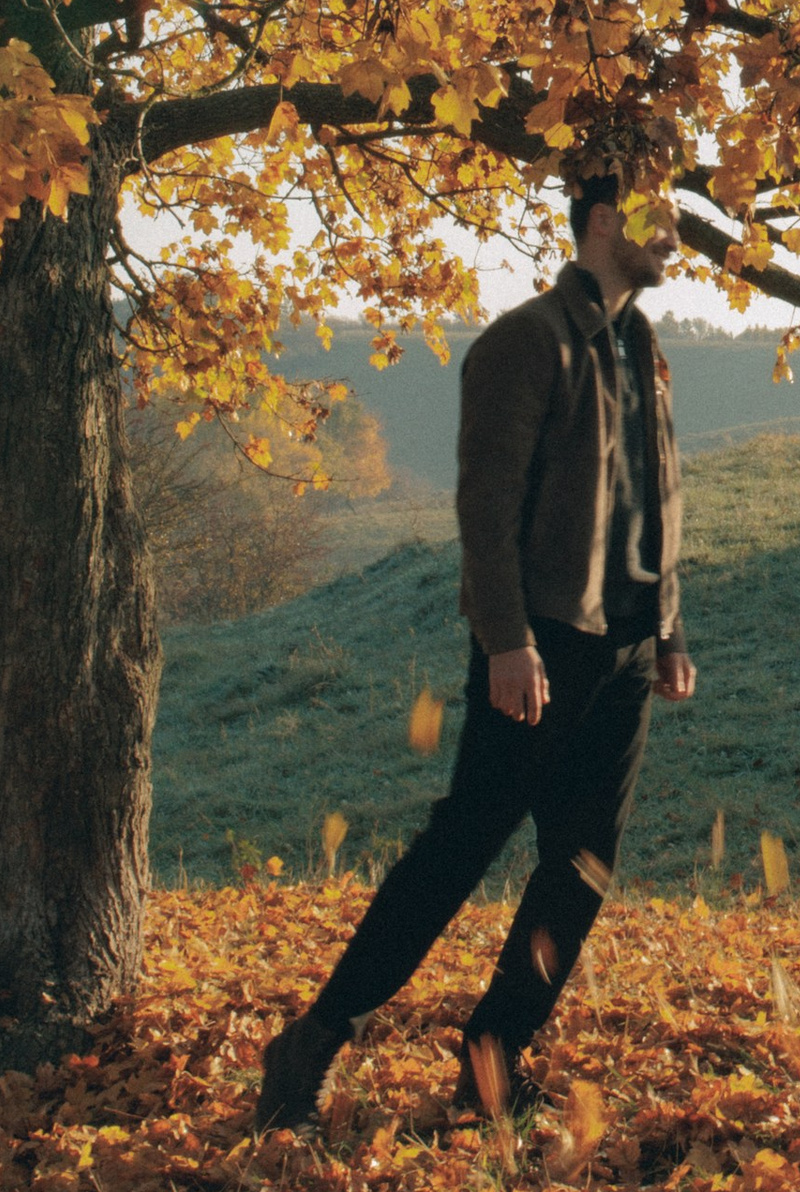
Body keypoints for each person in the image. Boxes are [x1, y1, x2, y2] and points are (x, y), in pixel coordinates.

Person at [254, 148, 698, 1129]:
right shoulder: (523, 343)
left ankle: (491, 1062)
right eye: (659, 217)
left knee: (581, 863)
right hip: (540, 640)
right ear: (602, 220)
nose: (675, 237)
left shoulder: (642, 347)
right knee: (461, 847)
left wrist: (666, 626)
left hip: (622, 647)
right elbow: (485, 510)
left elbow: (655, 494)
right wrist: (505, 639)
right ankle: (314, 1038)